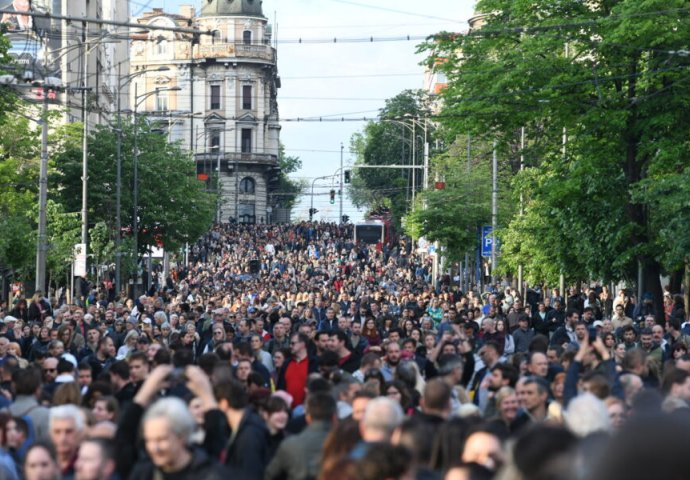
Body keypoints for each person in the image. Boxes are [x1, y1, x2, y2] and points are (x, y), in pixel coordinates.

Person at [265, 392, 337, 480]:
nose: (282, 415)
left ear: (308, 417)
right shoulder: (346, 445)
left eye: (284, 411)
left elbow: (269, 474)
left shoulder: (290, 444)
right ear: (334, 418)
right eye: (277, 411)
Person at [49, 404, 86, 479]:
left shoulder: (87, 466)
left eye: (69, 431)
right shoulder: (43, 463)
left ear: (79, 433)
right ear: (50, 434)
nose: (63, 438)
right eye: (57, 432)